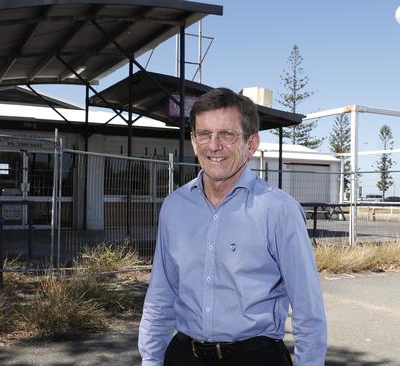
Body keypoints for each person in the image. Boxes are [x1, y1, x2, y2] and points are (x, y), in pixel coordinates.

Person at [138, 87, 327, 366]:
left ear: (251, 144)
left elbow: (308, 309)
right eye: (204, 134)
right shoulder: (174, 207)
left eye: (227, 134)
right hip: (183, 357)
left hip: (256, 358)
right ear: (193, 141)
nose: (213, 145)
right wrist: (151, 361)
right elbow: (160, 296)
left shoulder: (278, 210)